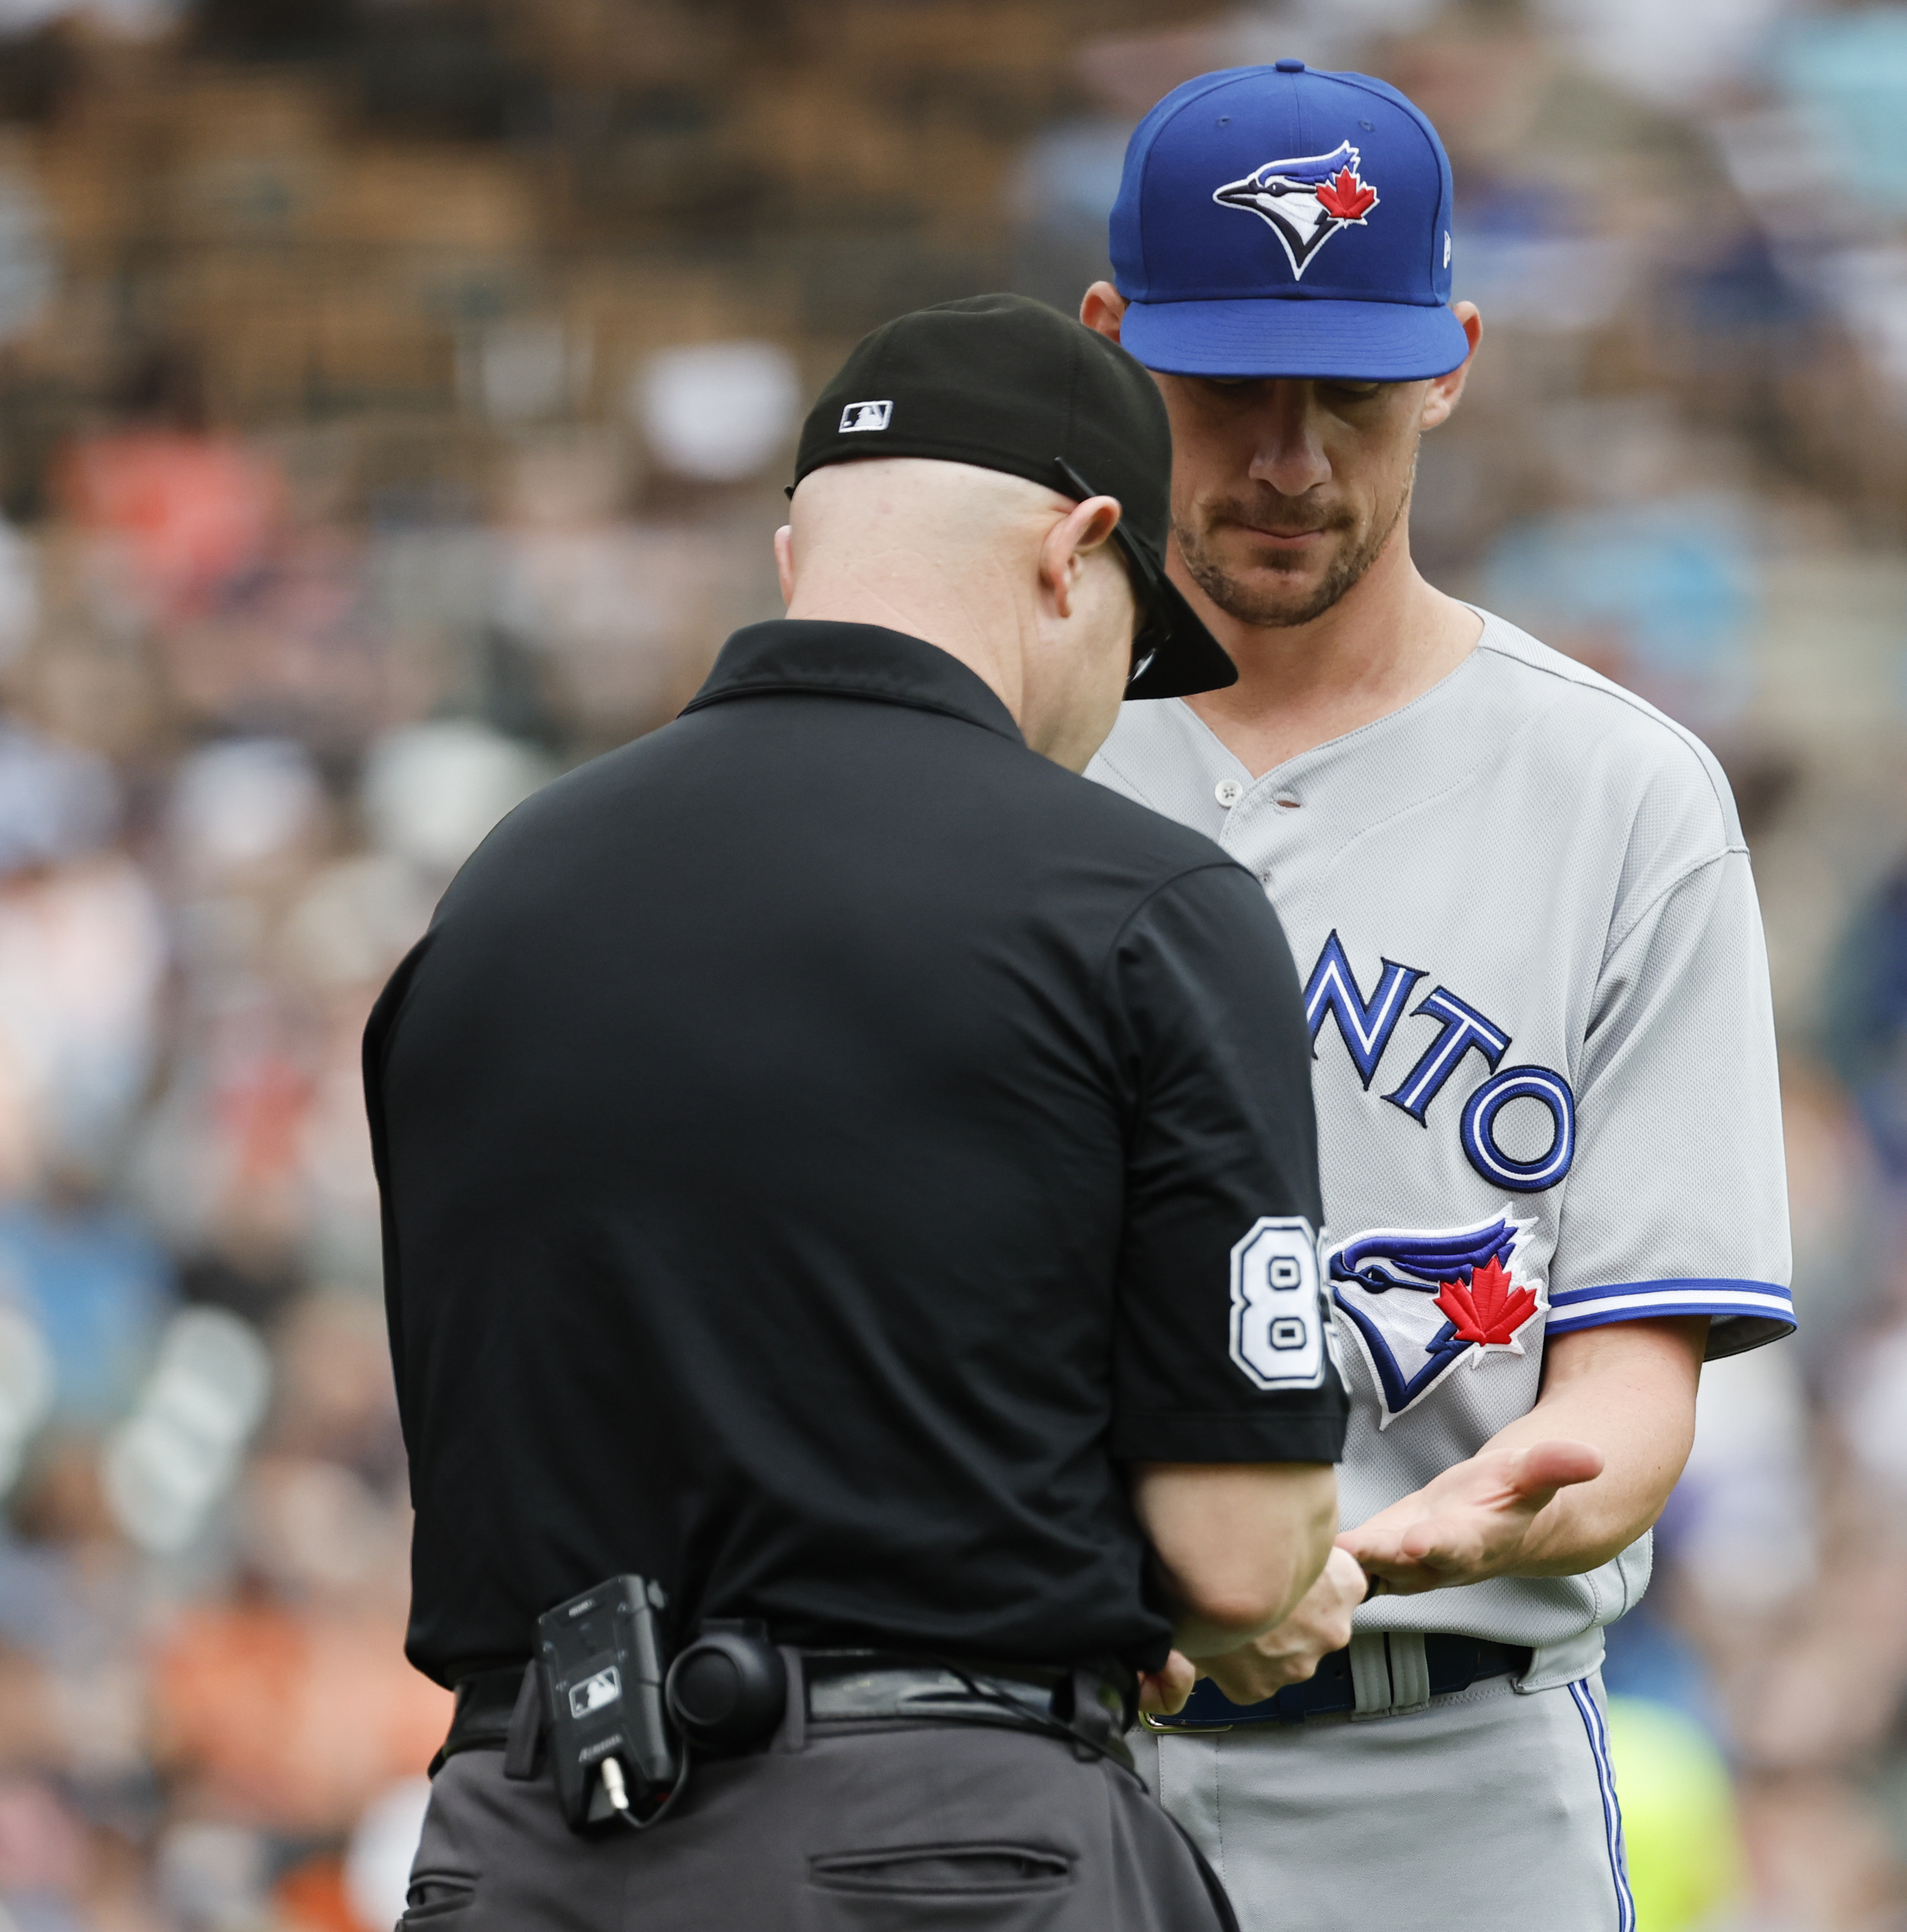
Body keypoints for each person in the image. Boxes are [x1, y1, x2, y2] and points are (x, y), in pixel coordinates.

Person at [365, 295, 1362, 1931]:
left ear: (793, 560)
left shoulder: (499, 892)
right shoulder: (1140, 898)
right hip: (941, 1852)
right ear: (1077, 550)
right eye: (1134, 631)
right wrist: (1264, 1587)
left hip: (515, 1839)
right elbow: (1241, 1556)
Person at [1083, 62, 1796, 1932]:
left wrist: (1451, 1527)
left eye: (1352, 387)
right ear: (1111, 345)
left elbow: (1628, 1394)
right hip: (1046, 1743)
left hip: (1448, 1769)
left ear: (1453, 359)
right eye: (1230, 382)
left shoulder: (1620, 795)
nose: (1292, 454)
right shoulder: (1004, 757)